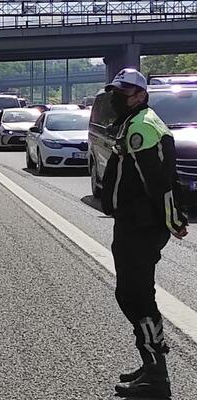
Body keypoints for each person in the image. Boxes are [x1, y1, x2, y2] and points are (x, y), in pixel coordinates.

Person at [101, 68, 189, 398]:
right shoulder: (136, 121)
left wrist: (172, 220)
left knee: (135, 296)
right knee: (134, 295)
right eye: (116, 91)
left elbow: (159, 183)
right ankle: (150, 364)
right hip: (133, 222)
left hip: (141, 225)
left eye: (123, 92)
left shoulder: (142, 127)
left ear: (140, 95)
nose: (116, 98)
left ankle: (157, 376)